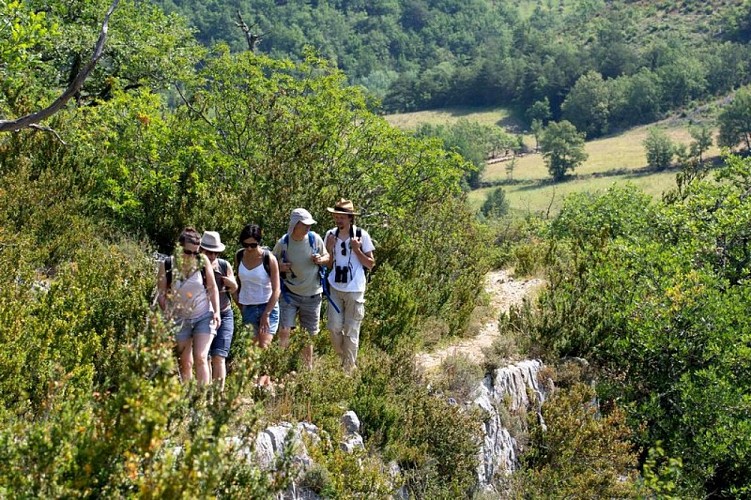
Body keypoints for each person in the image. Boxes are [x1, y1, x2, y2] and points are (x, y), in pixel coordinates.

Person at [156, 227, 221, 385]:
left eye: (195, 252)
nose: (192, 256)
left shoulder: (202, 261)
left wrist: (217, 312)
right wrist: (168, 312)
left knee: (200, 357)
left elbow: (212, 288)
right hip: (180, 318)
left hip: (203, 315)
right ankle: (189, 399)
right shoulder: (167, 264)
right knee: (185, 362)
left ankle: (203, 399)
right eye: (188, 252)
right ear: (179, 248)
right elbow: (161, 293)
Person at [272, 208, 329, 369]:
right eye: (304, 225)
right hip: (289, 294)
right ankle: (280, 366)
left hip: (313, 295)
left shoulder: (314, 239)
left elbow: (328, 257)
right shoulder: (284, 242)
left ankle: (306, 370)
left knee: (308, 335)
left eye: (309, 224)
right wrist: (280, 267)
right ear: (295, 224)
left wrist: (320, 259)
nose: (308, 228)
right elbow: (271, 263)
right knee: (284, 330)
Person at [324, 199, 375, 372]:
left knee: (351, 330)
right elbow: (329, 264)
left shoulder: (362, 235)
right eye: (336, 216)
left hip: (355, 289)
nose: (338, 220)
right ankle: (345, 360)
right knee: (334, 328)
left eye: (342, 217)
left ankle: (348, 370)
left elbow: (370, 264)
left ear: (350, 218)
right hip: (335, 287)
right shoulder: (330, 235)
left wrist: (357, 249)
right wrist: (329, 248)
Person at [199, 231, 237, 390]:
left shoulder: (223, 265)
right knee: (204, 357)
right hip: (202, 315)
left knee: (219, 356)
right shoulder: (195, 267)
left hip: (224, 312)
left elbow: (235, 288)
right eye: (209, 252)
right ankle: (206, 394)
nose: (212, 255)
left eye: (215, 252)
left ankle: (218, 395)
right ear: (201, 250)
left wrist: (229, 282)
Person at [235, 224, 281, 349]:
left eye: (253, 245)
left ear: (259, 242)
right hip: (248, 307)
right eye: (245, 245)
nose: (249, 248)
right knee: (252, 350)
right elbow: (238, 282)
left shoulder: (268, 258)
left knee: (264, 346)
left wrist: (266, 314)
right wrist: (240, 303)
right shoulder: (239, 256)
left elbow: (277, 289)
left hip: (267, 306)